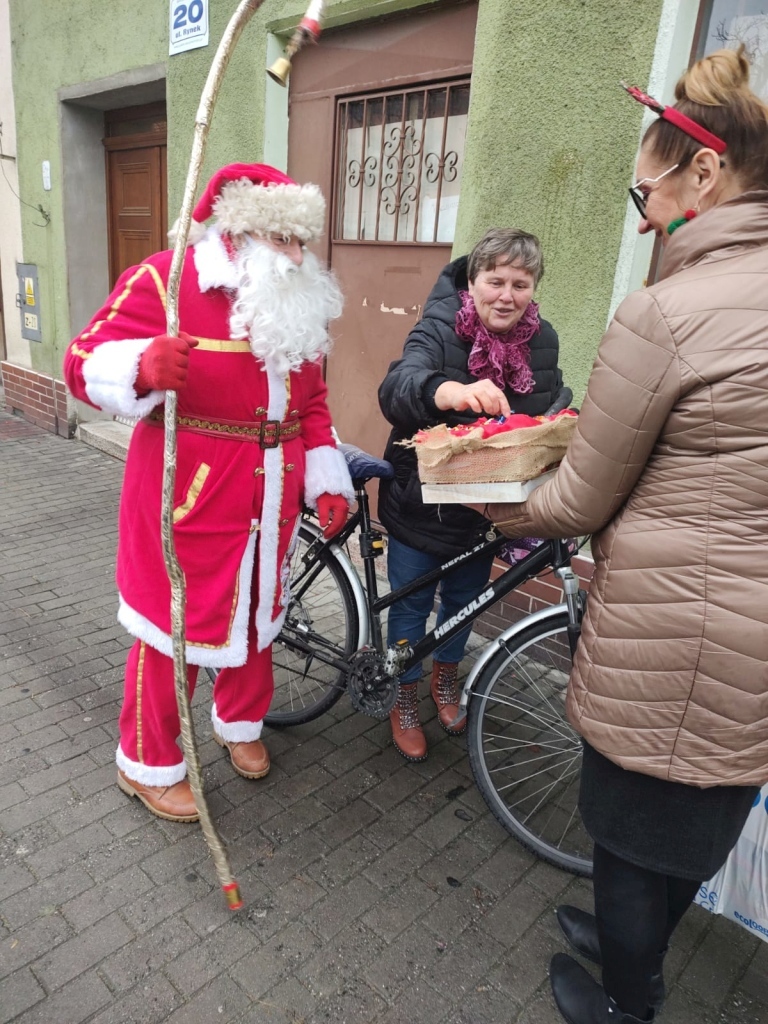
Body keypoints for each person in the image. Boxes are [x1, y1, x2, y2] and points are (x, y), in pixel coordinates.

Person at [486, 47, 768, 1024]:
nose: (637, 211)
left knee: (626, 837)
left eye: (639, 187)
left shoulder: (667, 312)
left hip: (670, 637)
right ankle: (623, 948)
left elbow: (575, 502)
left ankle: (624, 1004)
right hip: (753, 645)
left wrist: (482, 495)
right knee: (690, 834)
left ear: (704, 173)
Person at [64, 163, 353, 823]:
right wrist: (141, 367)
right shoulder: (167, 281)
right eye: (285, 241)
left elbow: (310, 405)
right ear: (243, 230)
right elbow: (81, 362)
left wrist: (325, 475)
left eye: (301, 243)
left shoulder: (294, 303)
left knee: (256, 623)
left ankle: (240, 722)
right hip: (189, 504)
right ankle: (145, 763)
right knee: (174, 636)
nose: (298, 256)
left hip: (270, 504)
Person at [378, 228, 570, 761]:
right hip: (423, 501)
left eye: (520, 282)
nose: (506, 295)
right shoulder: (441, 326)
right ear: (474, 281)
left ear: (533, 288)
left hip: (487, 509)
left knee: (465, 604)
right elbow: (397, 387)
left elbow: (547, 405)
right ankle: (405, 695)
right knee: (413, 608)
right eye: (495, 280)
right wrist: (450, 390)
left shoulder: (543, 340)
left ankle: (445, 680)